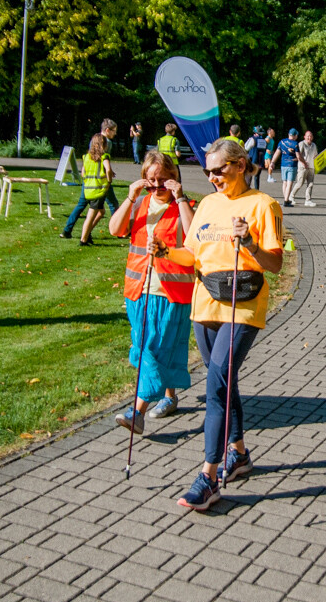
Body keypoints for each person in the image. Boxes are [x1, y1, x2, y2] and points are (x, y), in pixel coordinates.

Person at [158, 139, 283, 510]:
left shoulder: (263, 205)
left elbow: (275, 264)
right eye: (208, 171)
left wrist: (250, 244)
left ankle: (209, 476)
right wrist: (165, 251)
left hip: (242, 304)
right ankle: (239, 453)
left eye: (219, 170)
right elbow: (192, 254)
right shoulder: (209, 204)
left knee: (216, 383)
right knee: (225, 382)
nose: (212, 177)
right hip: (205, 302)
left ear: (241, 165)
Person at [109, 150, 196, 427]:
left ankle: (137, 412)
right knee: (149, 345)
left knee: (153, 346)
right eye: (151, 180)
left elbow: (195, 237)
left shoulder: (184, 205)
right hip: (138, 289)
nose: (157, 186)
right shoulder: (139, 203)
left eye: (163, 179)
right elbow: (114, 229)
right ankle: (169, 396)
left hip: (170, 292)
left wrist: (180, 197)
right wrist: (130, 196)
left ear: (174, 177)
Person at [61, 119, 120, 238]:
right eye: (114, 131)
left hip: (88, 180)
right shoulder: (107, 142)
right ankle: (118, 230)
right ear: (107, 130)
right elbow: (103, 161)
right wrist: (108, 178)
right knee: (113, 204)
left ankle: (67, 230)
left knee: (82, 205)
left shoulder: (94, 140)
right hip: (101, 182)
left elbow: (92, 161)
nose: (115, 133)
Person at [78, 133, 114, 246]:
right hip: (99, 190)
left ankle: (87, 233)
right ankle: (83, 239)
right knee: (91, 215)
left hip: (88, 189)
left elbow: (83, 173)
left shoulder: (86, 157)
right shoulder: (104, 156)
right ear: (104, 145)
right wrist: (109, 181)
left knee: (101, 212)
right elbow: (108, 169)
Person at [269, 128, 300, 207]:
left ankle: (286, 198)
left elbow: (277, 153)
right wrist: (304, 162)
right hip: (292, 165)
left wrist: (272, 162)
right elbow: (298, 156)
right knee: (290, 182)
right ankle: (286, 200)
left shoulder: (282, 142)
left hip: (283, 164)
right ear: (295, 136)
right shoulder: (295, 144)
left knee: (284, 182)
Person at [295, 130, 318, 206]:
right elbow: (298, 155)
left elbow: (316, 156)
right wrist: (304, 163)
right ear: (304, 137)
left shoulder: (314, 145)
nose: (309, 138)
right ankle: (291, 196)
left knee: (310, 184)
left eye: (310, 136)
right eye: (308, 136)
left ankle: (308, 200)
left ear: (312, 137)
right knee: (299, 183)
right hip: (303, 167)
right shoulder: (301, 144)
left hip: (311, 167)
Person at [245, 126, 268, 190]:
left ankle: (247, 189)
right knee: (257, 177)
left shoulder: (253, 139)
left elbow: (246, 148)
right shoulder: (264, 141)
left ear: (255, 132)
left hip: (252, 160)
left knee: (249, 176)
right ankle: (257, 190)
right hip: (260, 161)